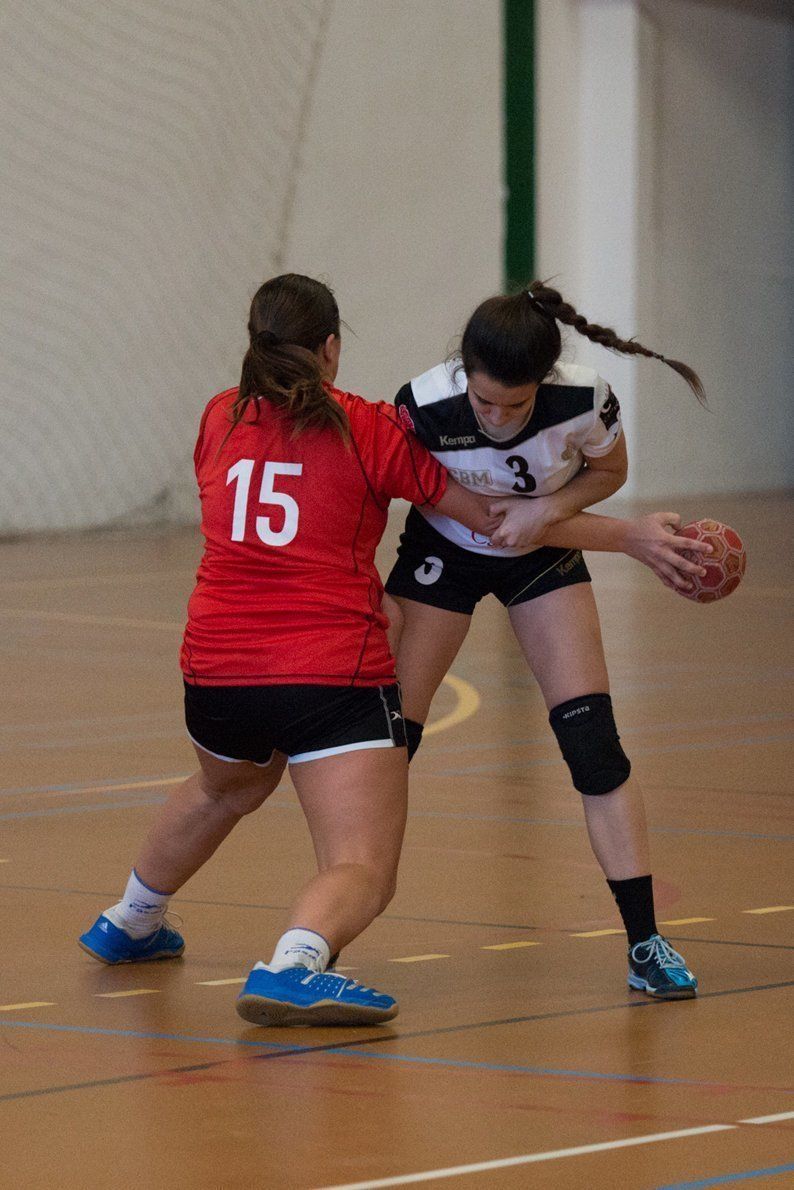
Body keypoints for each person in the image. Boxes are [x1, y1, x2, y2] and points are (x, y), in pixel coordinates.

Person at [77, 273, 498, 1027]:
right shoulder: (367, 427)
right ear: (331, 348)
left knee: (226, 787)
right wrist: (621, 528)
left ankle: (131, 919)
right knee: (361, 866)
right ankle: (295, 966)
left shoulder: (218, 416)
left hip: (215, 669)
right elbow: (489, 520)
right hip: (328, 674)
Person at [384, 282, 712, 1001]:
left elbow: (610, 471)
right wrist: (627, 537)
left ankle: (645, 942)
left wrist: (551, 506)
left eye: (516, 404)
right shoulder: (423, 405)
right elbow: (486, 519)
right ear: (462, 374)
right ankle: (321, 937)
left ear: (545, 381)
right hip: (446, 548)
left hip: (544, 551)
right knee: (384, 746)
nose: (499, 419)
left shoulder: (584, 400)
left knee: (594, 743)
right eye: (485, 403)